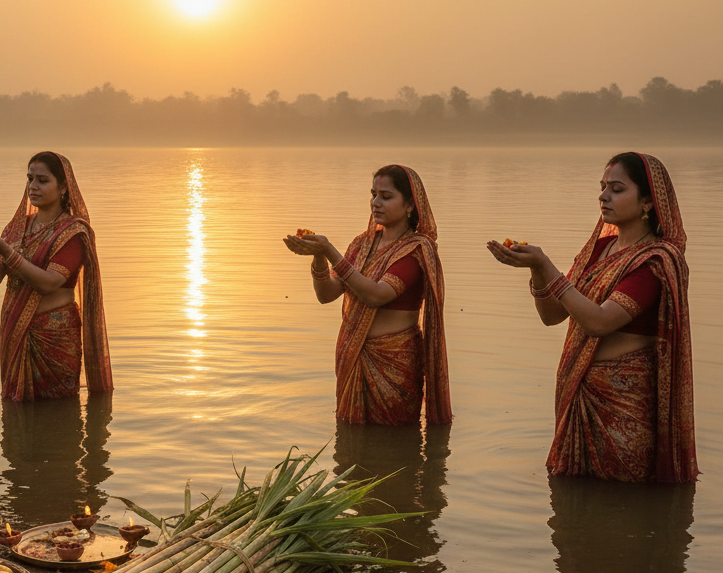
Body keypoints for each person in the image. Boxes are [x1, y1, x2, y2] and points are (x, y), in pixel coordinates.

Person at [486, 151, 696, 482]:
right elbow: (552, 315)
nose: (603, 195)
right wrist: (537, 271)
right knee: (572, 508)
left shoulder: (655, 261)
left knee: (622, 509)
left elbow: (598, 322)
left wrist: (547, 267)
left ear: (647, 202)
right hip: (580, 392)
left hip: (624, 406)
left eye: (616, 188)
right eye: (602, 187)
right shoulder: (597, 251)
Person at [283, 164, 452, 426]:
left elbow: (376, 295)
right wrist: (318, 257)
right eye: (373, 194)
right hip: (353, 355)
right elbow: (326, 295)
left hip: (394, 362)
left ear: (410, 205)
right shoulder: (362, 245)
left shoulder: (417, 250)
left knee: (394, 447)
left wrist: (330, 252)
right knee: (349, 445)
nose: (376, 203)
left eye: (386, 196)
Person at [0, 151, 112, 401]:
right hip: (14, 333)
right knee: (15, 415)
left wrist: (4, 249)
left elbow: (49, 283)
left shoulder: (73, 233)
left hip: (54, 338)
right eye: (30, 179)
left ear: (63, 188)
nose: (33, 186)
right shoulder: (18, 227)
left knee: (58, 413)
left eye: (42, 180)